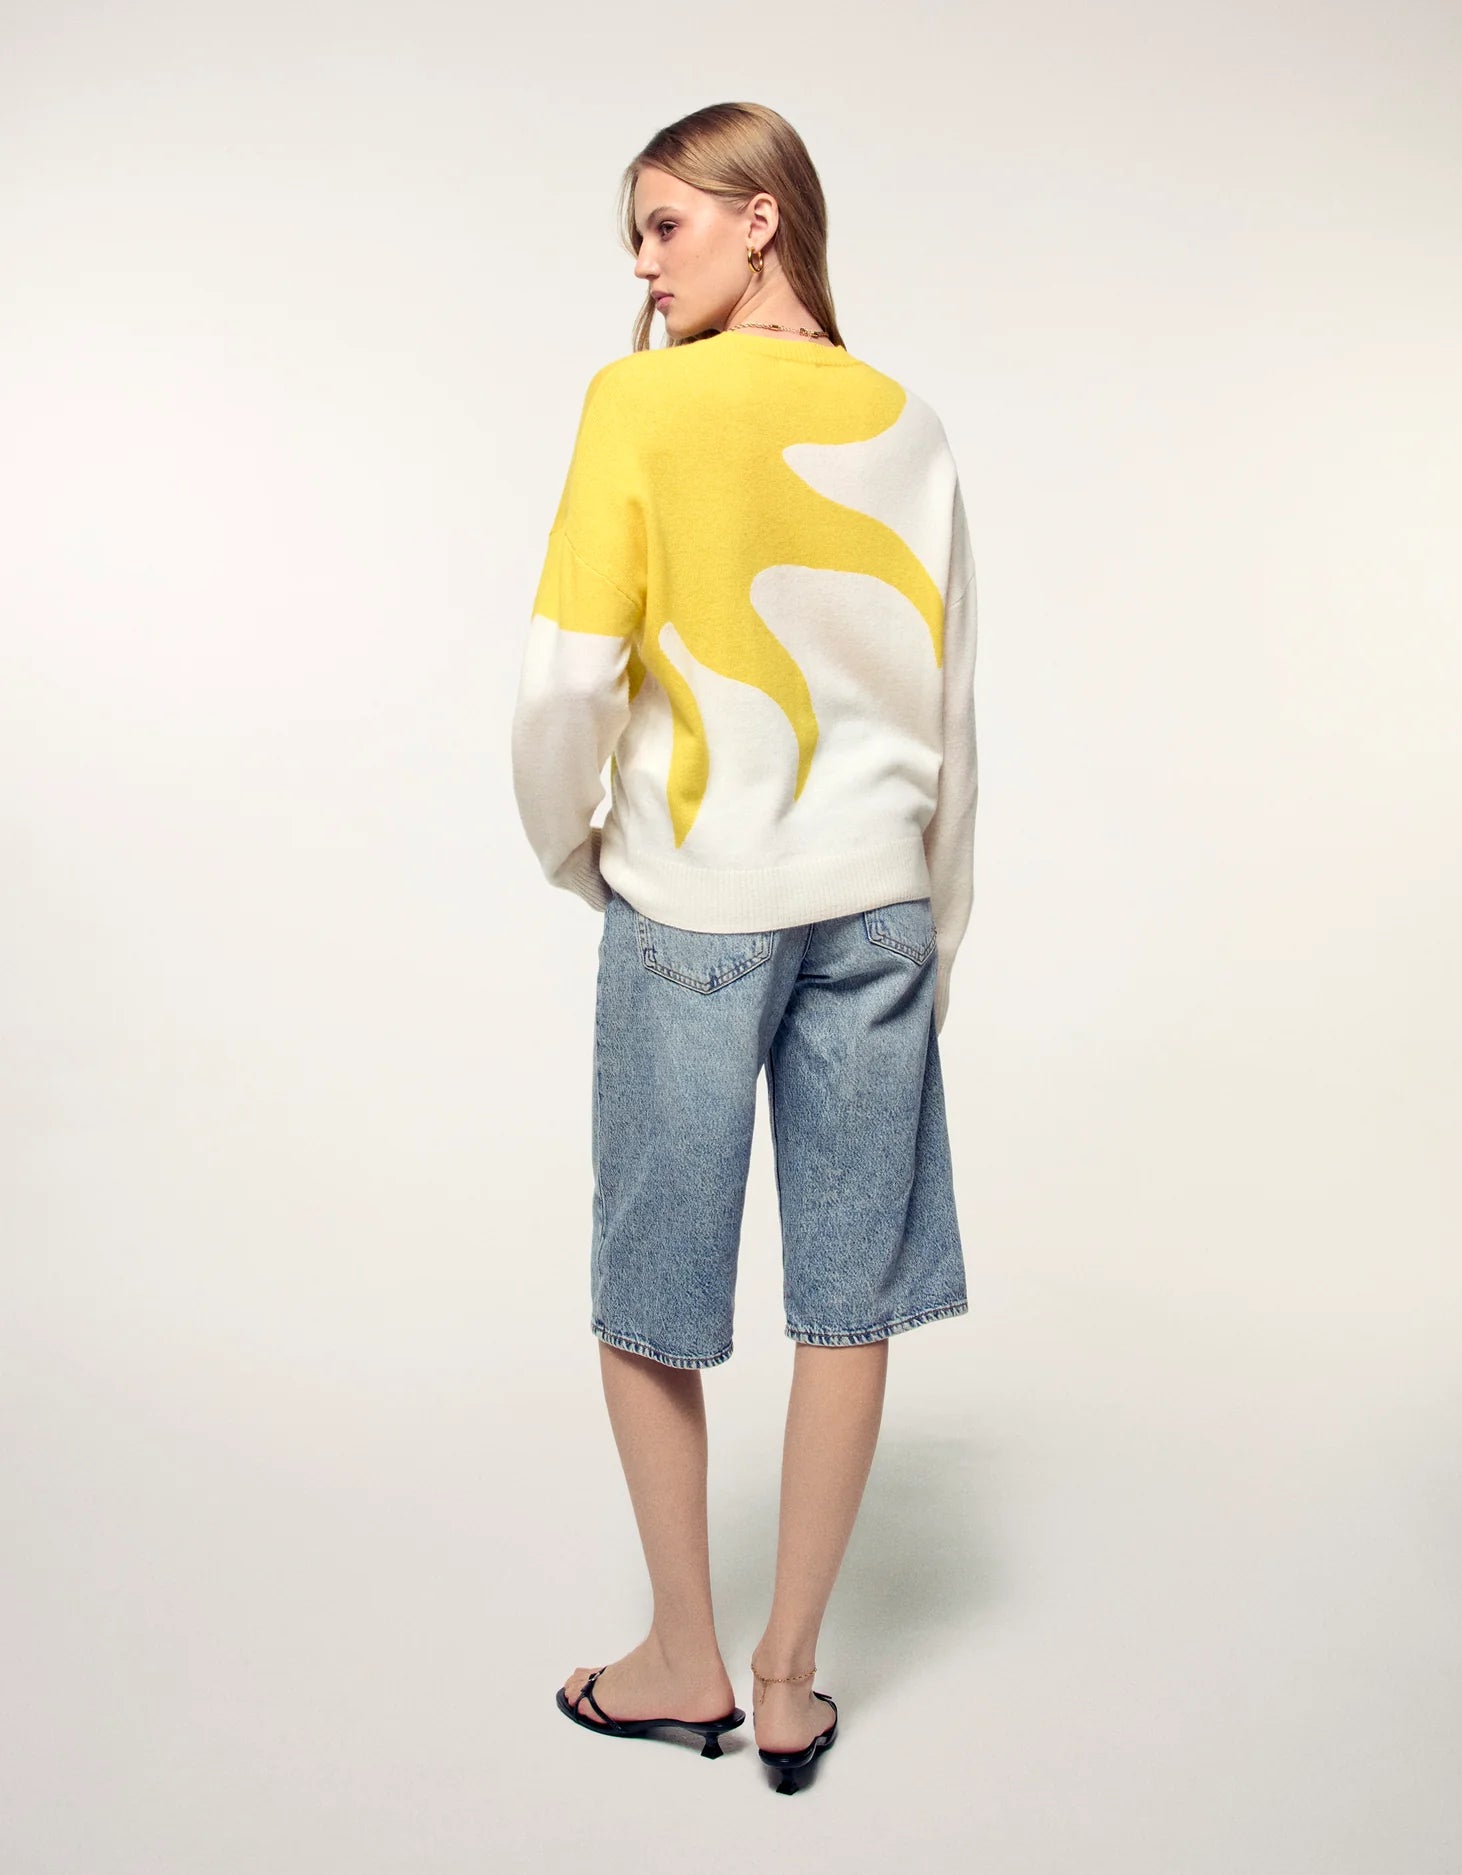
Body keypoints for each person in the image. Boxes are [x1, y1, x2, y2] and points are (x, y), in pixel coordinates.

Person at [511, 101, 979, 1793]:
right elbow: (952, 706)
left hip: (695, 902)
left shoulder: (636, 403)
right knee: (850, 1298)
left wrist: (578, 847)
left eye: (665, 226)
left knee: (652, 1294)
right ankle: (788, 1680)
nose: (644, 268)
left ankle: (679, 1658)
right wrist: (933, 933)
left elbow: (569, 677)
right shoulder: (910, 422)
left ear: (761, 215)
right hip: (880, 902)